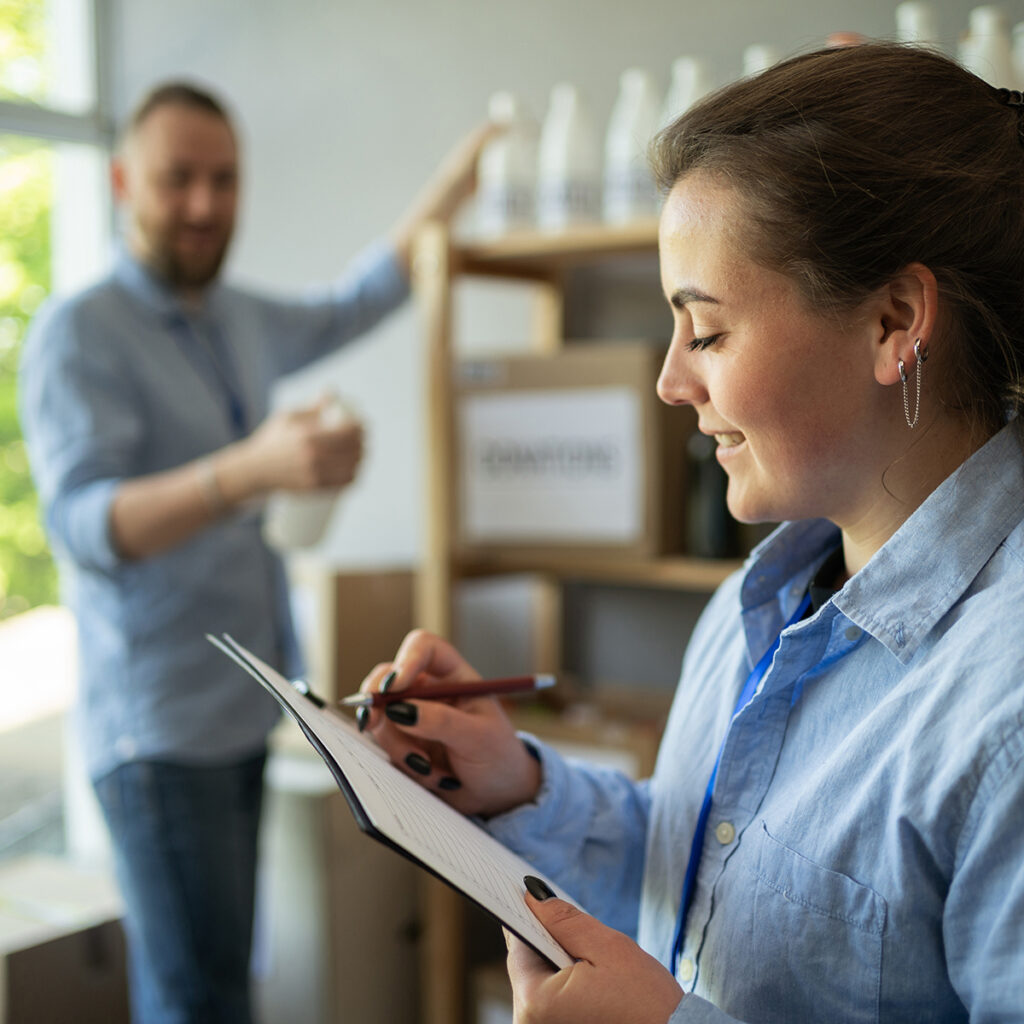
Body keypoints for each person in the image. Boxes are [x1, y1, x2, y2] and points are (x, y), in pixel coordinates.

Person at [358, 42, 1024, 1023]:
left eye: (705, 330)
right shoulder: (753, 603)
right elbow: (715, 871)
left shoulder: (1004, 708)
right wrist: (519, 786)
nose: (670, 380)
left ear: (892, 320)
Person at [19, 81, 490, 1023]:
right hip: (158, 733)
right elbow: (83, 527)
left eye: (224, 181)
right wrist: (253, 469)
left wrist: (465, 173)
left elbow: (360, 299)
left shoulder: (234, 317)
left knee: (223, 988)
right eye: (178, 179)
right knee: (200, 1002)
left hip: (243, 709)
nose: (204, 205)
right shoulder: (80, 333)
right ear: (120, 181)